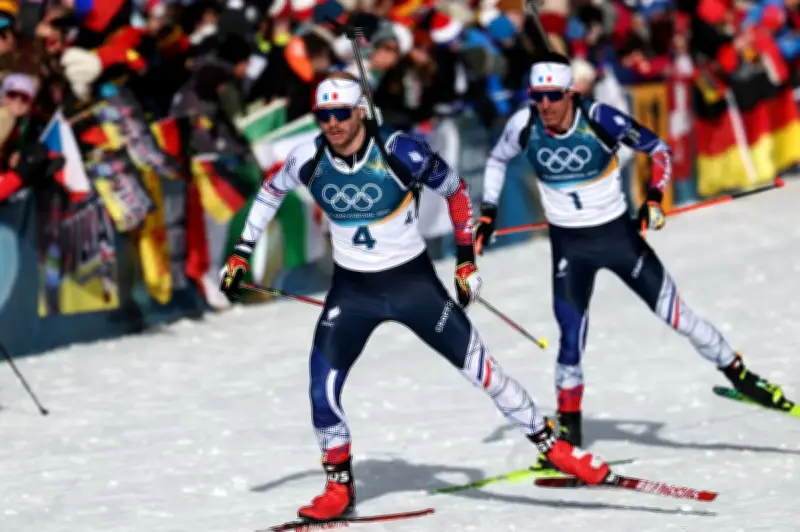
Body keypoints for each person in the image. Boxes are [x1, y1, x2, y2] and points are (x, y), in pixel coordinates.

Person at [219, 71, 612, 523]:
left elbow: (457, 193)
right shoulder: (307, 157)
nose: (332, 124)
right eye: (324, 116)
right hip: (353, 292)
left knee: (483, 371)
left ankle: (555, 447)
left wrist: (466, 262)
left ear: (360, 113)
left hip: (413, 287)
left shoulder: (400, 151)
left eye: (341, 114)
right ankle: (338, 487)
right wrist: (242, 252)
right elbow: (269, 193)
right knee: (320, 389)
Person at [475, 51, 795, 472]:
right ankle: (569, 435)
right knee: (570, 339)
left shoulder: (601, 118)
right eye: (538, 96)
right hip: (570, 248)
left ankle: (741, 375)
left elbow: (659, 150)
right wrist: (487, 212)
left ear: (570, 92)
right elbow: (497, 160)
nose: (545, 105)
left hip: (619, 238)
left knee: (677, 316)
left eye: (553, 95)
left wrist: (655, 199)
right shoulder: (524, 124)